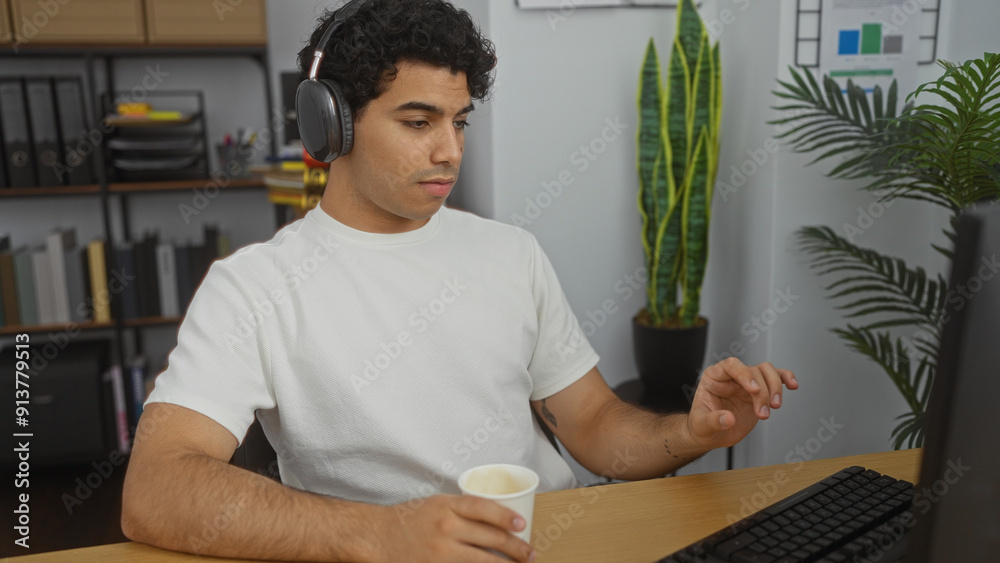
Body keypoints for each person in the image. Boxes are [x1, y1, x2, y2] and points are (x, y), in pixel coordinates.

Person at [121, 1, 798, 562]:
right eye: (418, 122)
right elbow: (156, 489)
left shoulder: (511, 253)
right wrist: (379, 532)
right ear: (331, 123)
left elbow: (593, 425)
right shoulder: (252, 287)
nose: (449, 149)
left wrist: (693, 433)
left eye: (460, 120)